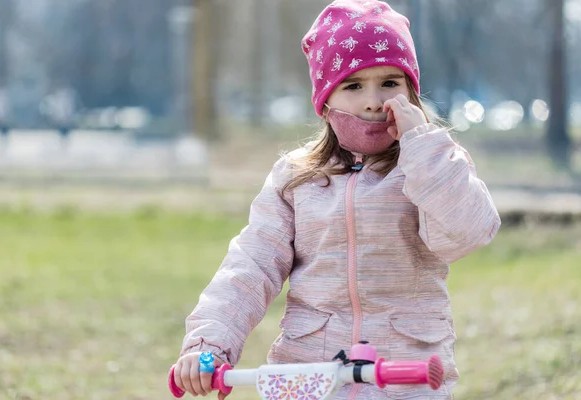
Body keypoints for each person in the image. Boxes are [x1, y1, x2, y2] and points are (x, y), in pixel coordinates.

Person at [172, 1, 501, 398]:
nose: (374, 101)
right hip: (311, 372)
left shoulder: (431, 164)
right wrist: (210, 342)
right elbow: (252, 264)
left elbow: (469, 231)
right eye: (353, 85)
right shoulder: (296, 177)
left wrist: (423, 148)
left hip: (403, 376)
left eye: (390, 83)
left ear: (412, 91)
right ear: (325, 99)